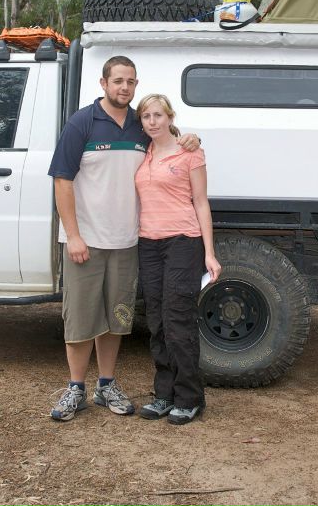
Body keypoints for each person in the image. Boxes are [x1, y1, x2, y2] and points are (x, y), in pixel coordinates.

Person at [47, 56, 198, 422]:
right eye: (117, 81)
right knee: (81, 319)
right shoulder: (82, 123)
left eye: (130, 81)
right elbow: (62, 181)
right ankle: (75, 389)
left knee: (117, 318)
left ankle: (106, 384)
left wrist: (191, 138)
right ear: (103, 83)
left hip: (128, 241)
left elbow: (171, 144)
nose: (124, 88)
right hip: (86, 241)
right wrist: (74, 236)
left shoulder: (138, 124)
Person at [133, 93, 222, 425]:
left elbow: (201, 203)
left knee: (177, 319)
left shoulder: (190, 153)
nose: (152, 122)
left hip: (184, 242)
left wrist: (209, 254)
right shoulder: (143, 154)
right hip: (148, 244)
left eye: (158, 115)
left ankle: (189, 397)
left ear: (170, 118)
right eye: (146, 117)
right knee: (155, 320)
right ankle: (164, 395)